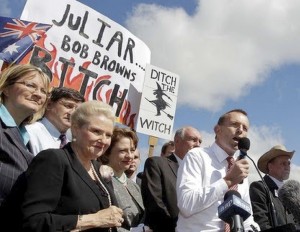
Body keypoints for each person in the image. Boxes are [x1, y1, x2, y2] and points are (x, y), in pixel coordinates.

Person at [0, 100, 124, 232]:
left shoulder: (100, 170)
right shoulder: (53, 160)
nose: (103, 140)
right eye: (96, 131)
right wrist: (94, 220)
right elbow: (33, 221)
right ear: (75, 129)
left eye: (108, 135)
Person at [176, 109, 260, 231]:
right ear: (217, 129)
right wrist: (228, 181)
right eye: (234, 124)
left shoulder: (240, 167)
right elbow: (186, 205)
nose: (240, 130)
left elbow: (247, 218)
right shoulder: (196, 156)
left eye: (245, 128)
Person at [0, 64, 50, 206]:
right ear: (6, 88)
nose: (38, 94)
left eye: (44, 91)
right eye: (30, 85)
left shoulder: (26, 138)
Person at [141, 126, 202, 232]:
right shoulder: (157, 163)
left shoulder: (201, 172)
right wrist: (179, 228)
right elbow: (155, 203)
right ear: (177, 141)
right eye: (193, 139)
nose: (198, 145)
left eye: (200, 141)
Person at [100, 127, 146, 232]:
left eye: (132, 150)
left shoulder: (134, 185)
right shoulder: (100, 180)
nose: (130, 156)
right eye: (123, 151)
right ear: (107, 152)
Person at [26, 86, 85, 155]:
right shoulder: (29, 133)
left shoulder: (73, 144)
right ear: (49, 104)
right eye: (68, 106)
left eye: (78, 110)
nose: (73, 113)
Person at [249, 145, 296, 230]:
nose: (287, 166)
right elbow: (261, 225)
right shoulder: (259, 188)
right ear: (270, 166)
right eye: (283, 163)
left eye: (288, 163)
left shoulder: (292, 193)